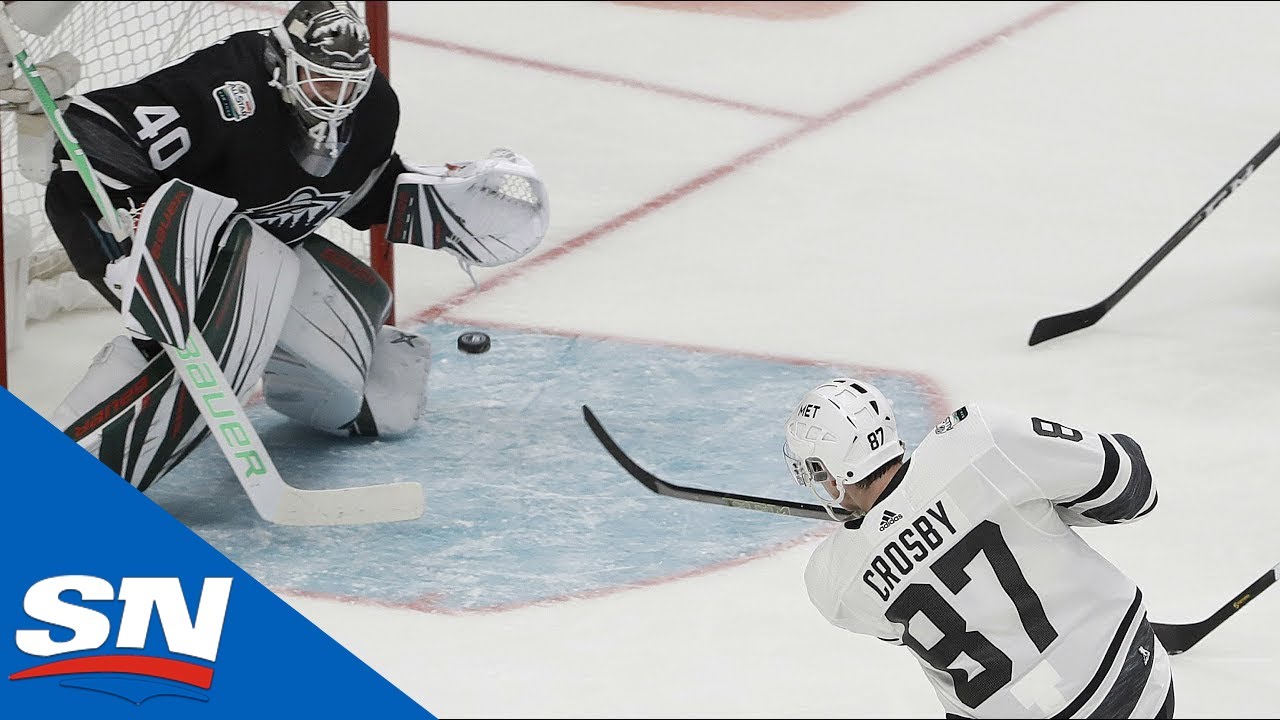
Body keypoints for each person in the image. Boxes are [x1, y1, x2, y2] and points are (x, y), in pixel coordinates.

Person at [15, 1, 549, 491]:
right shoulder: (227, 87)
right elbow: (92, 132)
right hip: (133, 231)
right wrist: (132, 234)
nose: (336, 99)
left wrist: (432, 203)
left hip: (248, 249)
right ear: (283, 64)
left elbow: (348, 191)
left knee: (368, 397)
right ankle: (57, 486)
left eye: (348, 85)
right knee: (228, 314)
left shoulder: (375, 109)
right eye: (322, 80)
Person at [783, 378, 1174, 719]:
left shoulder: (834, 578)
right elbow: (1133, 488)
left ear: (832, 476)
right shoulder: (979, 440)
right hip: (1134, 684)